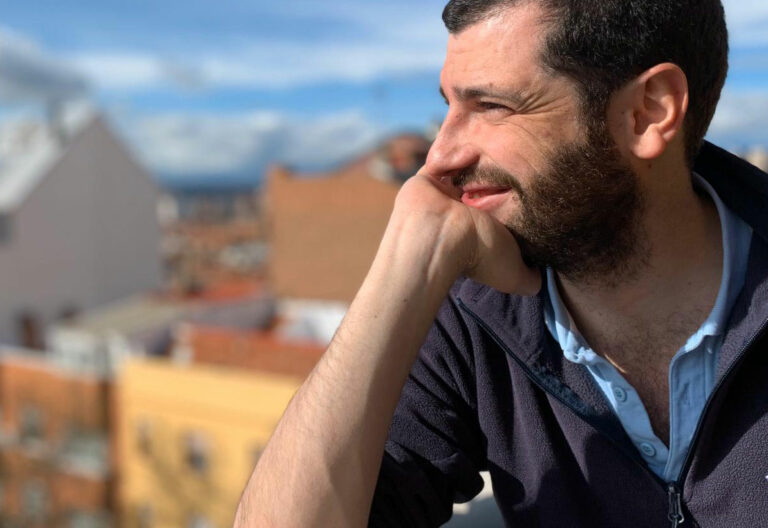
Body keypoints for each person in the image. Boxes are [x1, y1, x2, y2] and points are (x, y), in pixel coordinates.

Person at [234, 0, 768, 526]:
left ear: (648, 112)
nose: (439, 157)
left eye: (491, 106)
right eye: (447, 107)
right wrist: (404, 269)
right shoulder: (471, 315)